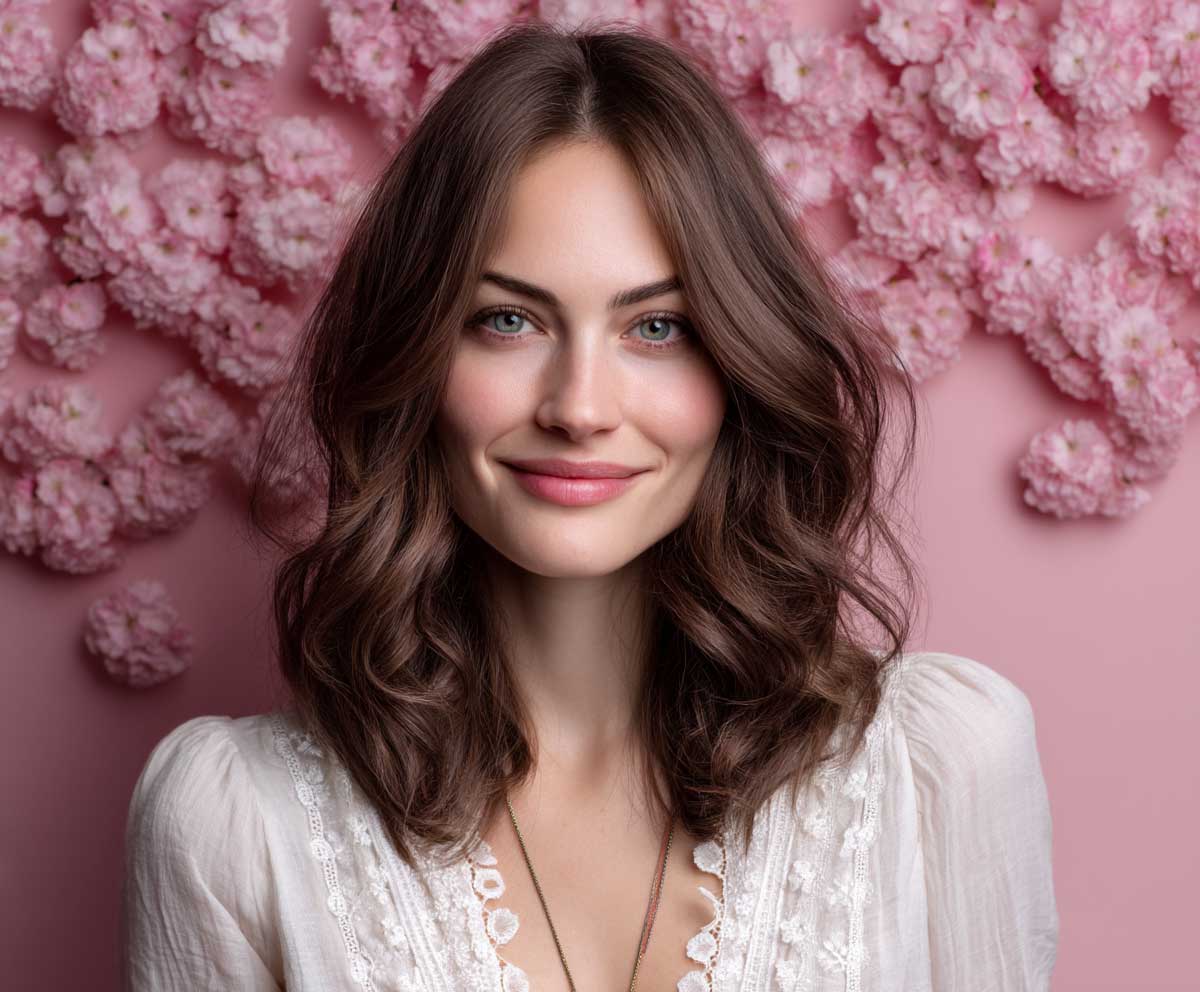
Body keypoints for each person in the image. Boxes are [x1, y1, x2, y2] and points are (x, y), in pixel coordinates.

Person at [121, 20, 1059, 992]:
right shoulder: (235, 823)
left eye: (656, 326)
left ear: (740, 364)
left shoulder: (937, 766)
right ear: (416, 361)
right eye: (508, 320)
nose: (578, 406)